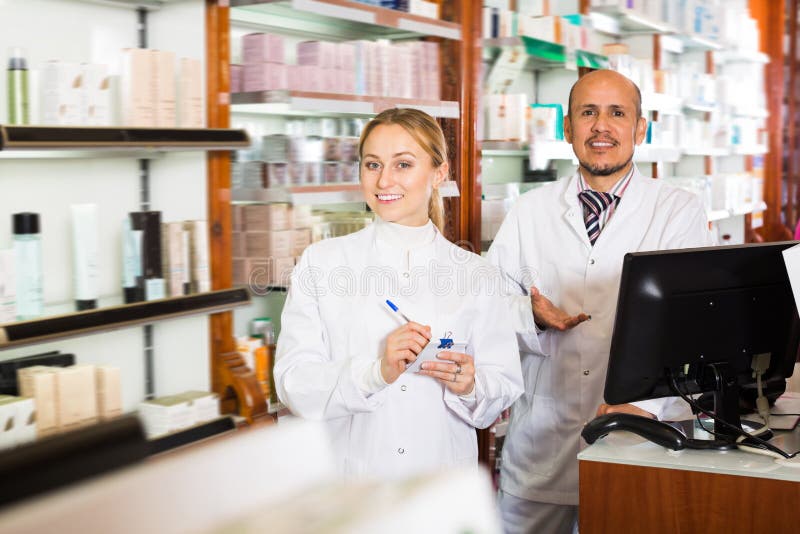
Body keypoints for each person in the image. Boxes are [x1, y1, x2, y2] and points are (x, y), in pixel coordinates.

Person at [486, 69, 715, 533]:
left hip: (642, 437)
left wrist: (647, 409)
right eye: (587, 113)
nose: (601, 126)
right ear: (567, 128)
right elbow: (487, 303)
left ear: (640, 128)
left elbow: (690, 327)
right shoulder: (529, 211)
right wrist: (530, 314)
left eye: (617, 113)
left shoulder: (678, 211)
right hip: (540, 450)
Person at [274, 107, 524, 479]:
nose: (384, 180)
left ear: (439, 173)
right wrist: (376, 373)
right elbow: (293, 385)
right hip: (351, 485)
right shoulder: (322, 263)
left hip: (440, 485)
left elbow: (502, 389)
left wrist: (471, 385)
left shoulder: (478, 275)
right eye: (372, 165)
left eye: (403, 165)